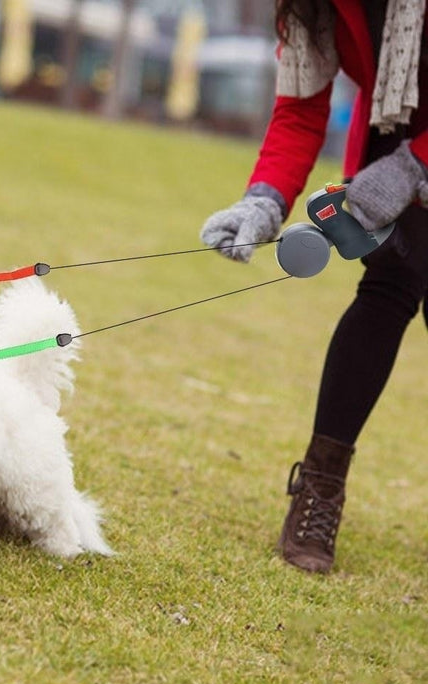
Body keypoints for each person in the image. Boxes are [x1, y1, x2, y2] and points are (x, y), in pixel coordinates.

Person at [200, 0, 428, 573]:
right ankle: (319, 490)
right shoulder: (311, 5)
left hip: (414, 152)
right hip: (391, 126)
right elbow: (301, 111)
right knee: (388, 288)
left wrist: (412, 169)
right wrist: (265, 199)